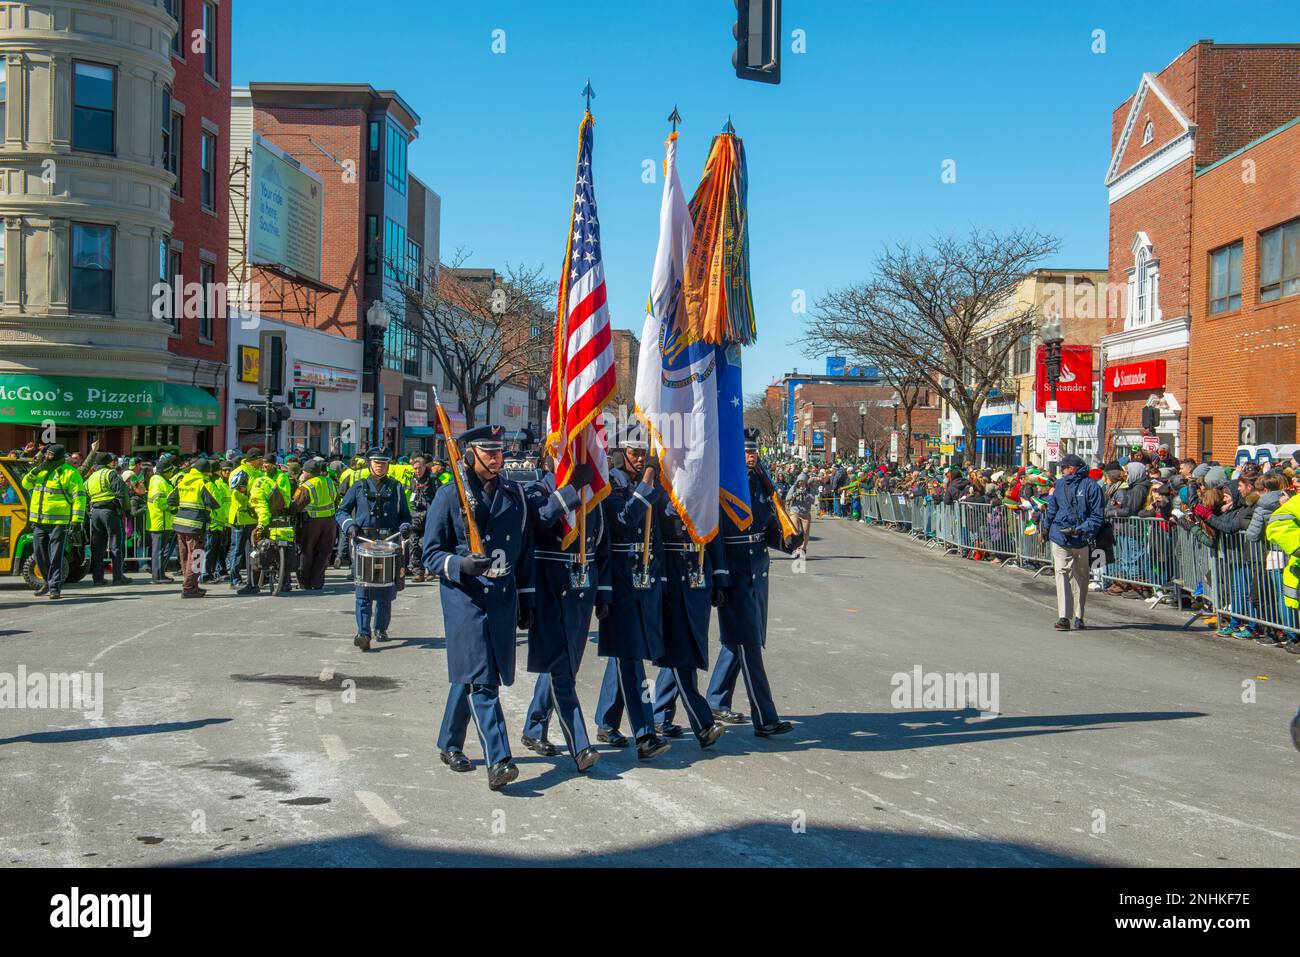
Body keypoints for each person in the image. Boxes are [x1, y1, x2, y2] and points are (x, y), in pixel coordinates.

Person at [423, 426, 532, 790]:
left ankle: (449, 742)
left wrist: (526, 599)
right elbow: (430, 553)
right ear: (469, 455)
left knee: (471, 673)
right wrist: (458, 565)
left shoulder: (514, 495)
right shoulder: (449, 495)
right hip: (464, 598)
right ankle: (499, 760)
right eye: (488, 452)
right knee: (484, 682)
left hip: (500, 594)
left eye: (500, 452)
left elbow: (524, 552)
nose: (496, 459)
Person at [516, 455, 604, 773]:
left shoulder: (591, 492)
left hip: (580, 590)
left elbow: (600, 542)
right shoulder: (536, 490)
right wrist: (570, 489)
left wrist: (602, 591)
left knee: (564, 666)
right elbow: (542, 518)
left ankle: (534, 727)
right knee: (560, 671)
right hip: (549, 588)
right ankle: (580, 746)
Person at [706, 429, 797, 736]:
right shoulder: (722, 486)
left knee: (738, 638)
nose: (751, 456)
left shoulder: (760, 482)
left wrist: (788, 541)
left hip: (757, 568)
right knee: (749, 643)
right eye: (745, 452)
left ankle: (717, 699)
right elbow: (714, 536)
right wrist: (718, 575)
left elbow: (766, 526)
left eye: (753, 451)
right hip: (734, 570)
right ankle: (765, 716)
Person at [591, 424, 674, 761]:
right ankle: (645, 733)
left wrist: (663, 580)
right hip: (621, 578)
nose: (640, 458)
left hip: (647, 577)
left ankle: (607, 720)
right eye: (635, 452)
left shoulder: (650, 484)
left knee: (626, 653)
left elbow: (657, 537)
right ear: (621, 451)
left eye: (645, 453)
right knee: (630, 657)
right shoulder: (612, 483)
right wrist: (646, 483)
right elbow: (623, 521)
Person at [648, 496, 728, 750]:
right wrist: (659, 586)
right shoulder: (660, 495)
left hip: (698, 577)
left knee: (685, 650)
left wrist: (719, 577)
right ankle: (703, 723)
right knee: (682, 655)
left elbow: (713, 536)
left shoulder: (703, 489)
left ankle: (659, 715)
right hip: (672, 578)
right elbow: (654, 543)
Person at [337, 448, 412, 649]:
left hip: (389, 542)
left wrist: (405, 527)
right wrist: (349, 526)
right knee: (363, 590)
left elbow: (405, 515)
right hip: (363, 541)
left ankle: (380, 627)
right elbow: (342, 511)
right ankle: (363, 633)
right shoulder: (358, 486)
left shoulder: (396, 487)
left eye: (384, 462)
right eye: (376, 462)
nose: (380, 465)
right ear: (369, 464)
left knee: (385, 590)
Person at [1043, 454, 1105, 631]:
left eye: (1064, 467)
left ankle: (1079, 615)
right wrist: (1046, 528)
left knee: (1081, 577)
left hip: (1081, 538)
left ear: (1073, 468)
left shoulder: (1091, 487)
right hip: (1060, 535)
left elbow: (1097, 516)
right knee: (1061, 573)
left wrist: (1082, 529)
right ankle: (1064, 616)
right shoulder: (1060, 484)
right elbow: (1052, 507)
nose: (1061, 470)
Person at [20, 444, 88, 599]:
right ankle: (47, 581)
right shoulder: (41, 470)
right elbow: (25, 484)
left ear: (58, 458)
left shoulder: (70, 473)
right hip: (38, 521)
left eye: (50, 456)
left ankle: (54, 587)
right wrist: (36, 469)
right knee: (39, 554)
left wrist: (77, 520)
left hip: (59, 522)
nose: (47, 458)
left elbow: (79, 497)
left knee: (56, 555)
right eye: (47, 455)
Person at [169, 458, 221, 598]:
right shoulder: (203, 482)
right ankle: (188, 588)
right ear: (206, 471)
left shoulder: (184, 481)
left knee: (186, 557)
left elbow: (170, 500)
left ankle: (193, 586)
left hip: (180, 524)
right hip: (196, 525)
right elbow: (216, 502)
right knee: (197, 557)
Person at [85, 451, 133, 586]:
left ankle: (98, 578)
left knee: (97, 547)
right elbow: (121, 494)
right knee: (115, 545)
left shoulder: (91, 478)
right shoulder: (110, 474)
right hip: (109, 512)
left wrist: (90, 512)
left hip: (95, 513)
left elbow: (85, 496)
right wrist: (123, 511)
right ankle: (118, 578)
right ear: (108, 463)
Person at [249, 458, 294, 594]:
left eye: (267, 463)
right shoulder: (263, 478)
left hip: (280, 513)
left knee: (283, 546)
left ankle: (285, 581)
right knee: (268, 546)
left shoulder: (281, 477)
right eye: (263, 463)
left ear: (274, 464)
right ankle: (262, 580)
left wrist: (261, 525)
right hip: (271, 513)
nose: (264, 466)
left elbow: (283, 498)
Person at [294, 457, 338, 592]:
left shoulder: (307, 486)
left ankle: (304, 582)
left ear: (309, 472)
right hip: (329, 522)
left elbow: (297, 504)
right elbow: (336, 500)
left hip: (311, 522)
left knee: (306, 551)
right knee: (324, 552)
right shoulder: (330, 482)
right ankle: (317, 581)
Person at [226, 451, 263, 593]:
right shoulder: (240, 472)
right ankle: (234, 579)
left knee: (253, 551)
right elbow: (236, 493)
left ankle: (252, 579)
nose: (262, 462)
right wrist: (249, 503)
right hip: (240, 518)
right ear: (253, 460)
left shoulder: (258, 473)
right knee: (237, 550)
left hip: (253, 518)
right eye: (260, 459)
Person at [406, 454, 440, 582]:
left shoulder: (433, 480)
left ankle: (431, 570)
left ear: (425, 467)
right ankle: (418, 572)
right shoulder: (413, 480)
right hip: (415, 516)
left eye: (419, 468)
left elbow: (439, 498)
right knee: (413, 544)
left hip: (429, 516)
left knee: (427, 544)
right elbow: (410, 496)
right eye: (415, 468)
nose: (417, 471)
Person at [146, 453, 179, 584]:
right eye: (170, 471)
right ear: (165, 471)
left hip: (162, 521)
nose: (172, 473)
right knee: (158, 551)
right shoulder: (158, 481)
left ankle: (160, 574)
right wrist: (172, 508)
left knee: (159, 551)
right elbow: (159, 502)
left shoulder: (160, 480)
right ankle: (158, 576)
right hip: (160, 521)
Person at [202, 457, 233, 584]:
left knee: (216, 550)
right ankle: (205, 574)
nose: (225, 473)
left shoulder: (219, 484)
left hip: (221, 522)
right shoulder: (212, 484)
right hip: (213, 523)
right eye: (223, 470)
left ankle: (212, 573)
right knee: (209, 551)